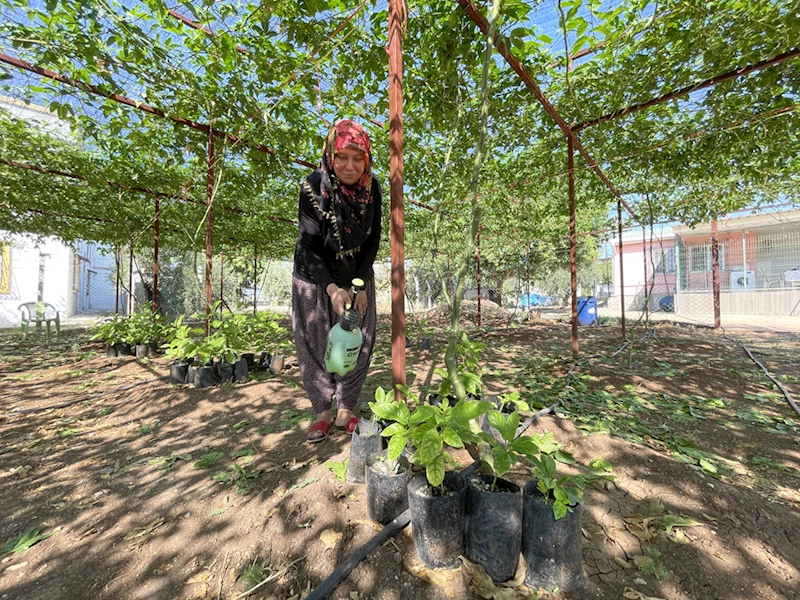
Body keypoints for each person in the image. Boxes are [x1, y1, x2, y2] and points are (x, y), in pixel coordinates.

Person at [292, 119, 381, 442]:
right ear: (332, 155)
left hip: (356, 273)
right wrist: (331, 288)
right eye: (343, 156)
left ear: (367, 159)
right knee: (315, 340)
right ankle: (322, 411)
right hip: (315, 278)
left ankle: (346, 409)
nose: (350, 165)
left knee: (360, 337)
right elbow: (309, 245)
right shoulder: (313, 187)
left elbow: (372, 240)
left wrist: (357, 285)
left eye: (358, 158)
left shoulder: (372, 189)